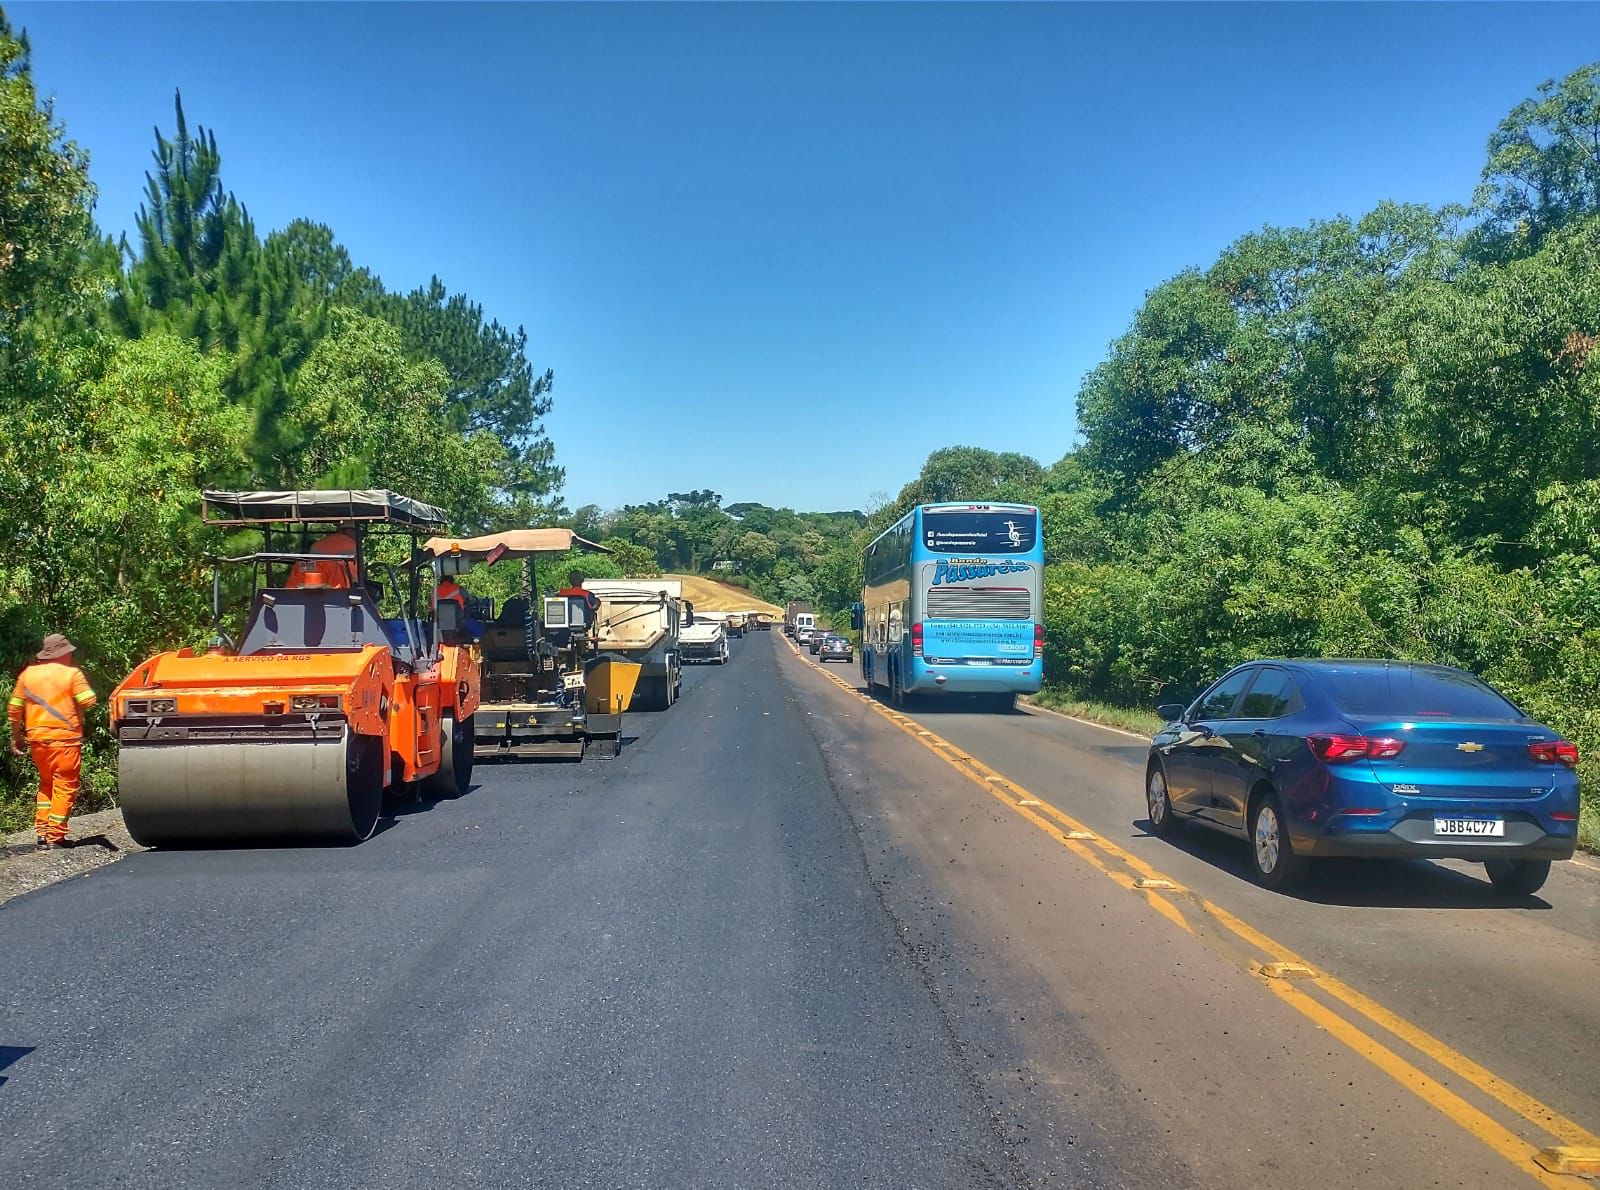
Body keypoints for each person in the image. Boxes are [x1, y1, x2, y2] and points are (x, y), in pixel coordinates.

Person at [8, 634, 97, 849]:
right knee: (65, 785)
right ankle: (56, 836)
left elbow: (14, 708)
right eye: (69, 652)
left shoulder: (27, 674)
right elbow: (88, 701)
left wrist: (16, 737)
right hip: (65, 740)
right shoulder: (72, 674)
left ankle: (41, 832)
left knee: (47, 783)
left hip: (37, 740)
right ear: (63, 654)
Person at [286, 526, 359, 589]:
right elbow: (355, 575)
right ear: (353, 531)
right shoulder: (354, 545)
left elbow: (310, 563)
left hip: (302, 588)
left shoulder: (317, 544)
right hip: (335, 588)